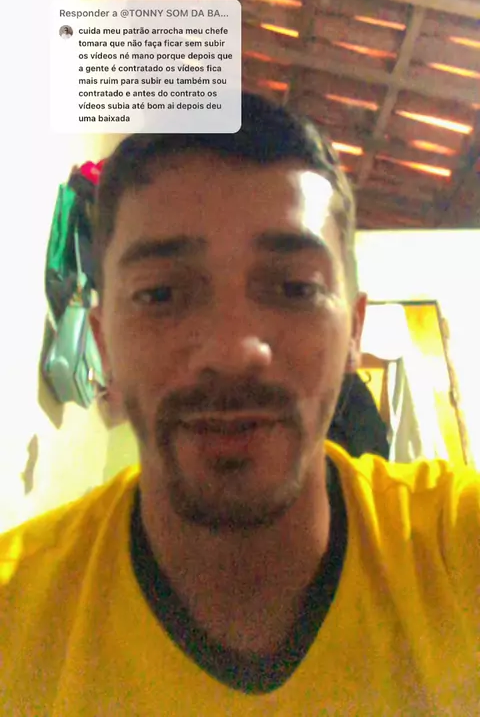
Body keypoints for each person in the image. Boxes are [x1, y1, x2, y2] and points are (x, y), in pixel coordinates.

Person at [0, 93, 478, 715]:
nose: (232, 352)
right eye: (161, 294)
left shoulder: (456, 548)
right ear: (102, 343)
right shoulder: (15, 613)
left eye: (295, 288)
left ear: (354, 334)